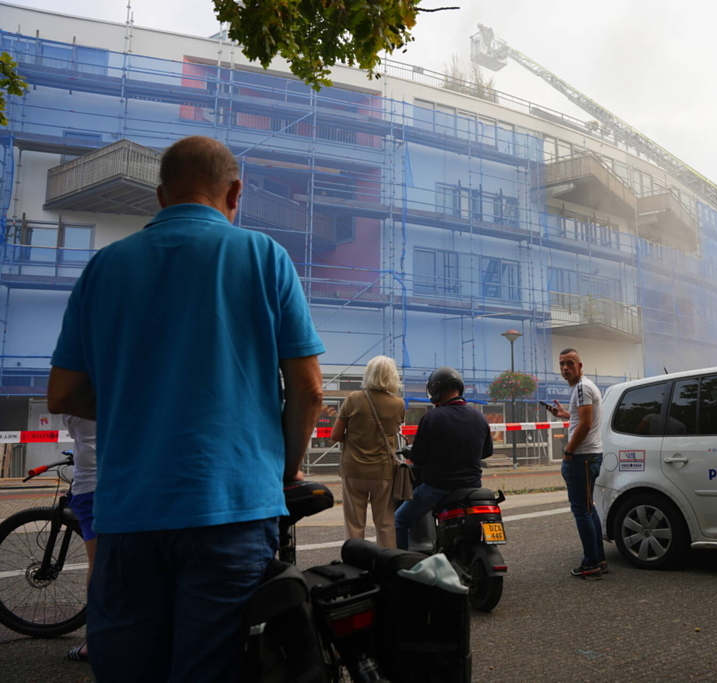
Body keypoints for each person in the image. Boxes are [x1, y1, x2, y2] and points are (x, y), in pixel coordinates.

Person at [47, 135, 325, 683]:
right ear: (235, 192)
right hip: (233, 506)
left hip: (127, 511)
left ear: (159, 196)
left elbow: (64, 395)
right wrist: (287, 466)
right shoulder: (264, 256)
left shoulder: (104, 267)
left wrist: (142, 408)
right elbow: (309, 388)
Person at [394, 367, 492, 550]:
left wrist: (411, 453)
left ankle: (400, 566)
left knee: (399, 520)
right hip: (472, 486)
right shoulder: (480, 416)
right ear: (460, 389)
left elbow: (418, 458)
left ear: (435, 392)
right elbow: (486, 452)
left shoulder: (431, 417)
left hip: (438, 488)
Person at [331, 355, 405, 548]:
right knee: (386, 523)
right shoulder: (398, 404)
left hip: (353, 469)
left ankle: (356, 564)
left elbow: (335, 435)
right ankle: (388, 564)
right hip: (383, 471)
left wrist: (356, 439)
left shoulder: (354, 399)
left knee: (354, 524)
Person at [547, 348, 607, 580]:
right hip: (590, 455)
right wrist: (565, 415)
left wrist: (569, 451)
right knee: (588, 507)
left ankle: (591, 563)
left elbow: (584, 425)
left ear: (580, 366)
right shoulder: (584, 388)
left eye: (570, 363)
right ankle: (599, 559)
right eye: (561, 364)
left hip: (581, 457)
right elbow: (582, 419)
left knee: (581, 510)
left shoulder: (581, 388)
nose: (565, 368)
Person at [64, 416, 96, 663]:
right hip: (128, 481)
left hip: (92, 485)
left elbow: (78, 434)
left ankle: (95, 642)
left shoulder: (77, 400)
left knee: (98, 565)